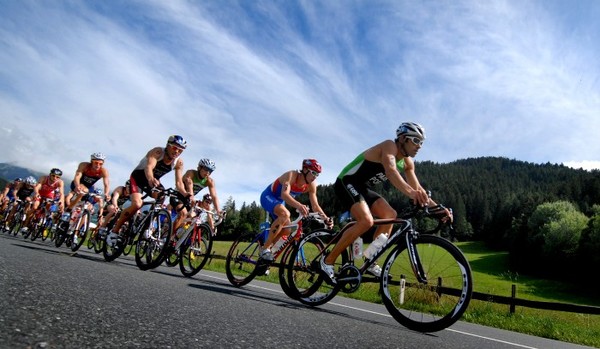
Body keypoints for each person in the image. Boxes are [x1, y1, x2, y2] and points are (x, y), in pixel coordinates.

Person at [320, 122, 451, 283]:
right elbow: (391, 171)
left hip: (362, 187)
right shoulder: (389, 146)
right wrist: (412, 193)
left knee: (391, 215)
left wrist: (438, 209)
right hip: (346, 182)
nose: (419, 146)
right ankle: (327, 262)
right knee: (366, 221)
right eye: (415, 141)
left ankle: (370, 260)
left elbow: (418, 190)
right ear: (402, 138)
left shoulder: (408, 162)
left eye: (421, 142)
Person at [106, 135, 187, 247]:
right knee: (137, 204)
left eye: (180, 150)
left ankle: (146, 227)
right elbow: (148, 167)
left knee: (161, 197)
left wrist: (187, 194)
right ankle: (114, 231)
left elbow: (179, 183)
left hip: (154, 181)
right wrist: (150, 179)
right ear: (168, 145)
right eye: (174, 148)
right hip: (139, 178)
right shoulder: (158, 152)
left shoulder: (179, 163)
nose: (177, 151)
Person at [259, 159, 333, 262]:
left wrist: (325, 218)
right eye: (314, 173)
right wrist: (299, 205)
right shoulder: (292, 175)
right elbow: (284, 194)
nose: (315, 177)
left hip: (279, 202)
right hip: (268, 196)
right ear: (305, 169)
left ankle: (267, 251)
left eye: (317, 175)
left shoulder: (311, 185)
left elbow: (315, 206)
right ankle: (264, 249)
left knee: (287, 230)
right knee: (285, 214)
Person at [172, 158, 222, 237]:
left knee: (191, 218)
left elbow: (214, 196)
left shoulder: (209, 181)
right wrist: (191, 195)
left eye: (210, 171)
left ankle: (179, 238)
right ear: (199, 167)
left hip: (188, 199)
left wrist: (219, 210)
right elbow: (189, 184)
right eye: (206, 169)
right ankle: (170, 239)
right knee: (183, 214)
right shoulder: (191, 173)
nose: (208, 173)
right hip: (178, 195)